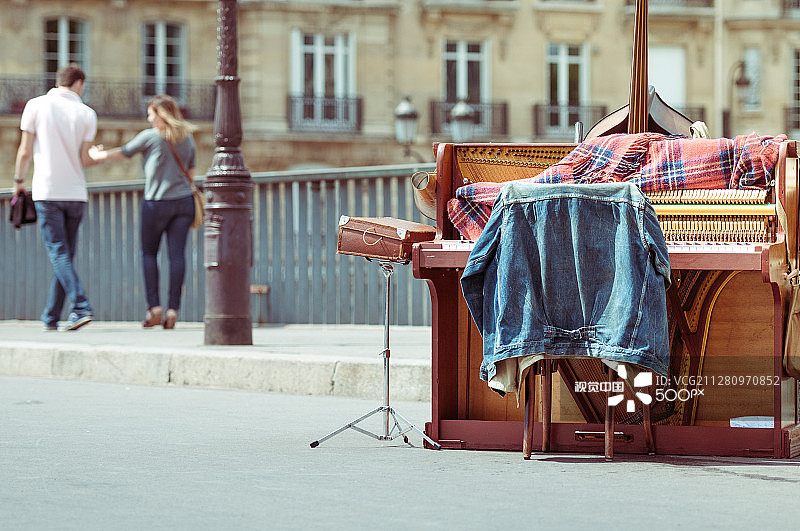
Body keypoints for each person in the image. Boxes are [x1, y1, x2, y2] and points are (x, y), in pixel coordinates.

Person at [89, 94, 197, 329]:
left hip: (156, 203)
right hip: (183, 202)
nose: (149, 119)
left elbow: (123, 152)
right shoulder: (187, 139)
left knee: (149, 254)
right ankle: (172, 310)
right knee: (177, 256)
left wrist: (98, 155)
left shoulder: (151, 137)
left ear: (161, 115)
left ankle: (154, 308)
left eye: (151, 114)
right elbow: (191, 175)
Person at [13, 64, 98, 331]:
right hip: (76, 193)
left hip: (47, 191)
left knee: (59, 253)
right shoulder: (87, 113)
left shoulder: (36, 106)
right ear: (79, 83)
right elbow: (84, 159)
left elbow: (25, 151)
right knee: (65, 256)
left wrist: (18, 181)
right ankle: (51, 316)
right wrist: (96, 153)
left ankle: (80, 306)